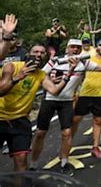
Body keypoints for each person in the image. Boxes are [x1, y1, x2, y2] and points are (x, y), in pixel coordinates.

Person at [30, 39, 101, 175]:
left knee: (67, 133)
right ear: (67, 48)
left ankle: (64, 162)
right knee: (40, 133)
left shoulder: (84, 62)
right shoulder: (56, 61)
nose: (75, 50)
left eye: (78, 48)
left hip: (67, 101)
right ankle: (33, 163)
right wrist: (50, 80)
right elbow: (40, 75)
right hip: (49, 99)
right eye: (72, 47)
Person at [0, 43, 75, 171]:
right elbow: (1, 91)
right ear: (28, 54)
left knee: (21, 159)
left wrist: (69, 73)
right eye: (36, 52)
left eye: (42, 53)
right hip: (1, 118)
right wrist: (18, 78)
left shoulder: (41, 75)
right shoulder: (11, 67)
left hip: (20, 120)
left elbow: (54, 91)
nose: (39, 55)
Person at [71, 39, 101, 159]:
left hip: (100, 93)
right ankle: (67, 144)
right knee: (75, 120)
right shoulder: (89, 57)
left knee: (98, 121)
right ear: (96, 47)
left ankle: (95, 147)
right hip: (85, 93)